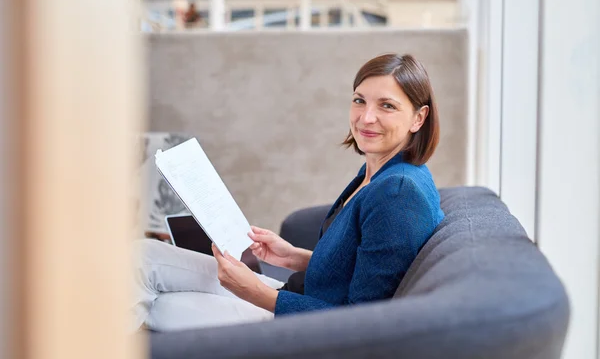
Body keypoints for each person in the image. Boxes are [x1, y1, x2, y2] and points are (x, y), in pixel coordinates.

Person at [132, 53, 445, 331]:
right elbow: (361, 267)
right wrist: (294, 257)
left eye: (387, 106)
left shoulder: (398, 193)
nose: (366, 117)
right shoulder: (378, 172)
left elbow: (359, 319)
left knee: (157, 306)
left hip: (297, 327)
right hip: (295, 294)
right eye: (359, 100)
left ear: (419, 118)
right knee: (141, 255)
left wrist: (254, 291)